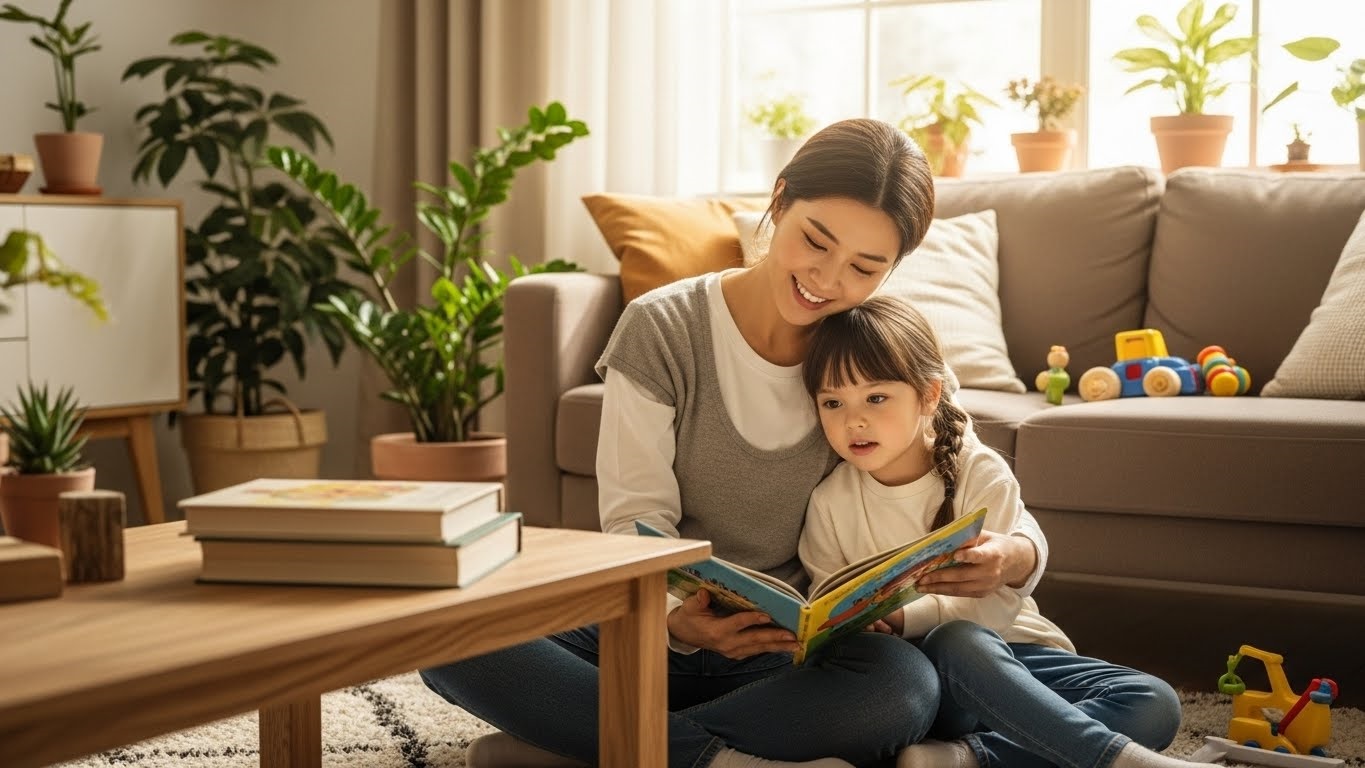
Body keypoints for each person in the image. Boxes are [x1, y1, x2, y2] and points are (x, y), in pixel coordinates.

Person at [420, 118, 1047, 768]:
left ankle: (589, 744)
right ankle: (716, 758)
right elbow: (635, 518)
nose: (827, 279)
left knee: (904, 685)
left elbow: (962, 463)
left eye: (865, 268)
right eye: (815, 241)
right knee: (448, 631)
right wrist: (672, 617)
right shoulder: (662, 328)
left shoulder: (875, 347)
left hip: (785, 660)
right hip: (650, 631)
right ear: (779, 200)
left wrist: (1019, 554)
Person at [798, 296, 1202, 768]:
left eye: (876, 397)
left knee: (1154, 702)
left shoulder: (979, 471)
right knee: (950, 642)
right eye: (832, 403)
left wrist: (908, 617)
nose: (854, 420)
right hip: (916, 682)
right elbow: (828, 608)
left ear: (929, 395)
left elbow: (992, 608)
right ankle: (1114, 759)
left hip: (1010, 653)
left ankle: (963, 759)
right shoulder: (828, 502)